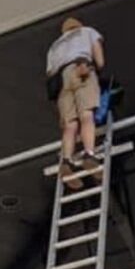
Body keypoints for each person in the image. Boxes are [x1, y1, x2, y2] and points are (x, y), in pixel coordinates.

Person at [45, 16, 105, 183]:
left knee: (70, 125)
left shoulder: (54, 46)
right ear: (78, 26)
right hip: (81, 69)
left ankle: (66, 160)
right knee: (86, 115)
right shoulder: (88, 32)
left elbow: (50, 73)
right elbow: (100, 60)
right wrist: (95, 69)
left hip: (62, 80)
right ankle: (89, 154)